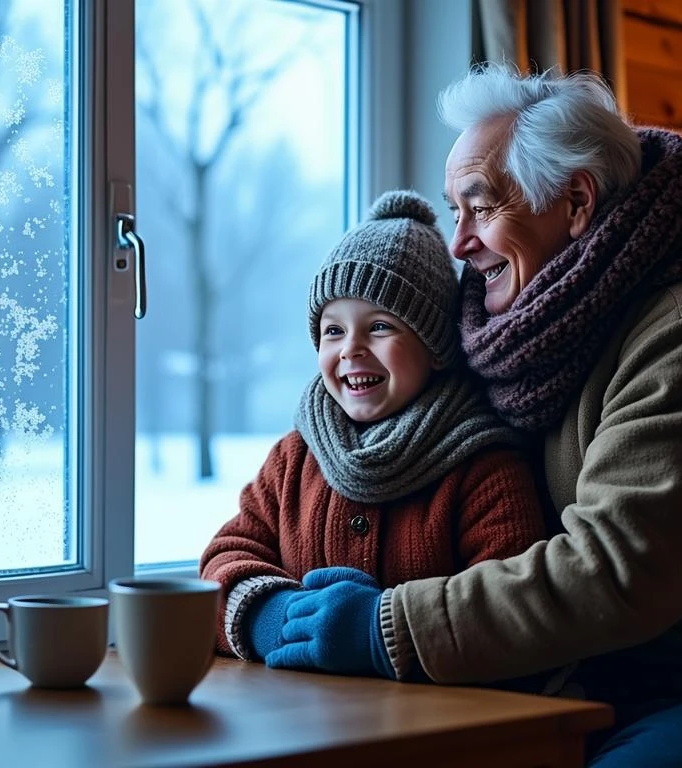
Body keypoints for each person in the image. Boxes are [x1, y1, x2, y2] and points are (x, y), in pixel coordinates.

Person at [263, 65, 682, 767]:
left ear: (577, 202)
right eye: (453, 211)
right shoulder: (530, 334)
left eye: (480, 207)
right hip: (641, 684)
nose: (459, 242)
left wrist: (383, 628)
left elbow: (616, 571)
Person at [199, 190, 550, 676]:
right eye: (333, 331)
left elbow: (509, 608)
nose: (351, 350)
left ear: (435, 348)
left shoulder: (483, 467)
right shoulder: (295, 458)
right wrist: (272, 617)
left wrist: (385, 633)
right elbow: (227, 554)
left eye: (380, 327)